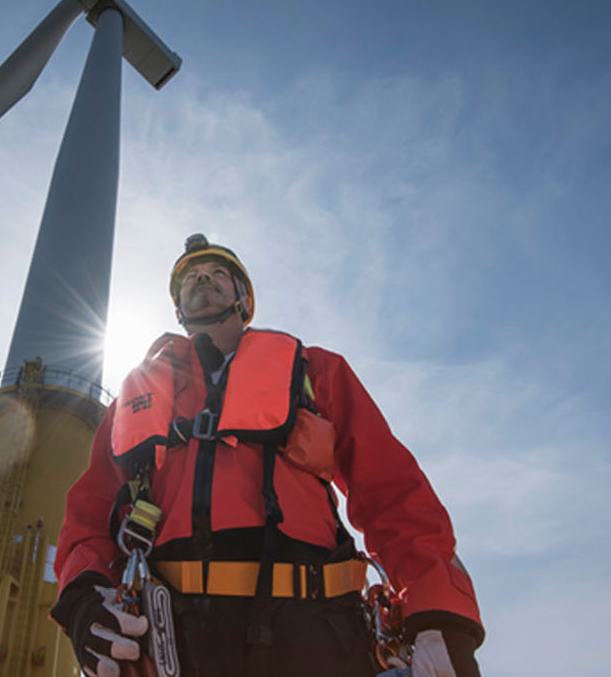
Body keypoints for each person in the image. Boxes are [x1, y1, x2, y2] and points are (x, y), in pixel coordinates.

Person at [50, 234, 483, 677]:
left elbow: (392, 491)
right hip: (172, 640)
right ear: (178, 308)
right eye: (191, 278)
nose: (204, 279)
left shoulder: (312, 371)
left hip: (314, 632)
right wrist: (83, 597)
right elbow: (90, 510)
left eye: (219, 273)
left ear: (244, 298)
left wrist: (438, 615)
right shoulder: (136, 394)